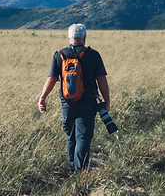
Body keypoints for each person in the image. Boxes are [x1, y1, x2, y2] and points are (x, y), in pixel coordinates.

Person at [38, 23, 111, 173]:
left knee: (70, 136)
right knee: (83, 137)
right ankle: (81, 173)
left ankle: (73, 170)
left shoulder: (60, 55)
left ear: (69, 38)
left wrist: (42, 98)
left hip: (67, 104)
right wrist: (107, 101)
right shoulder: (93, 55)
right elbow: (101, 80)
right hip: (88, 104)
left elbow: (51, 79)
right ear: (84, 37)